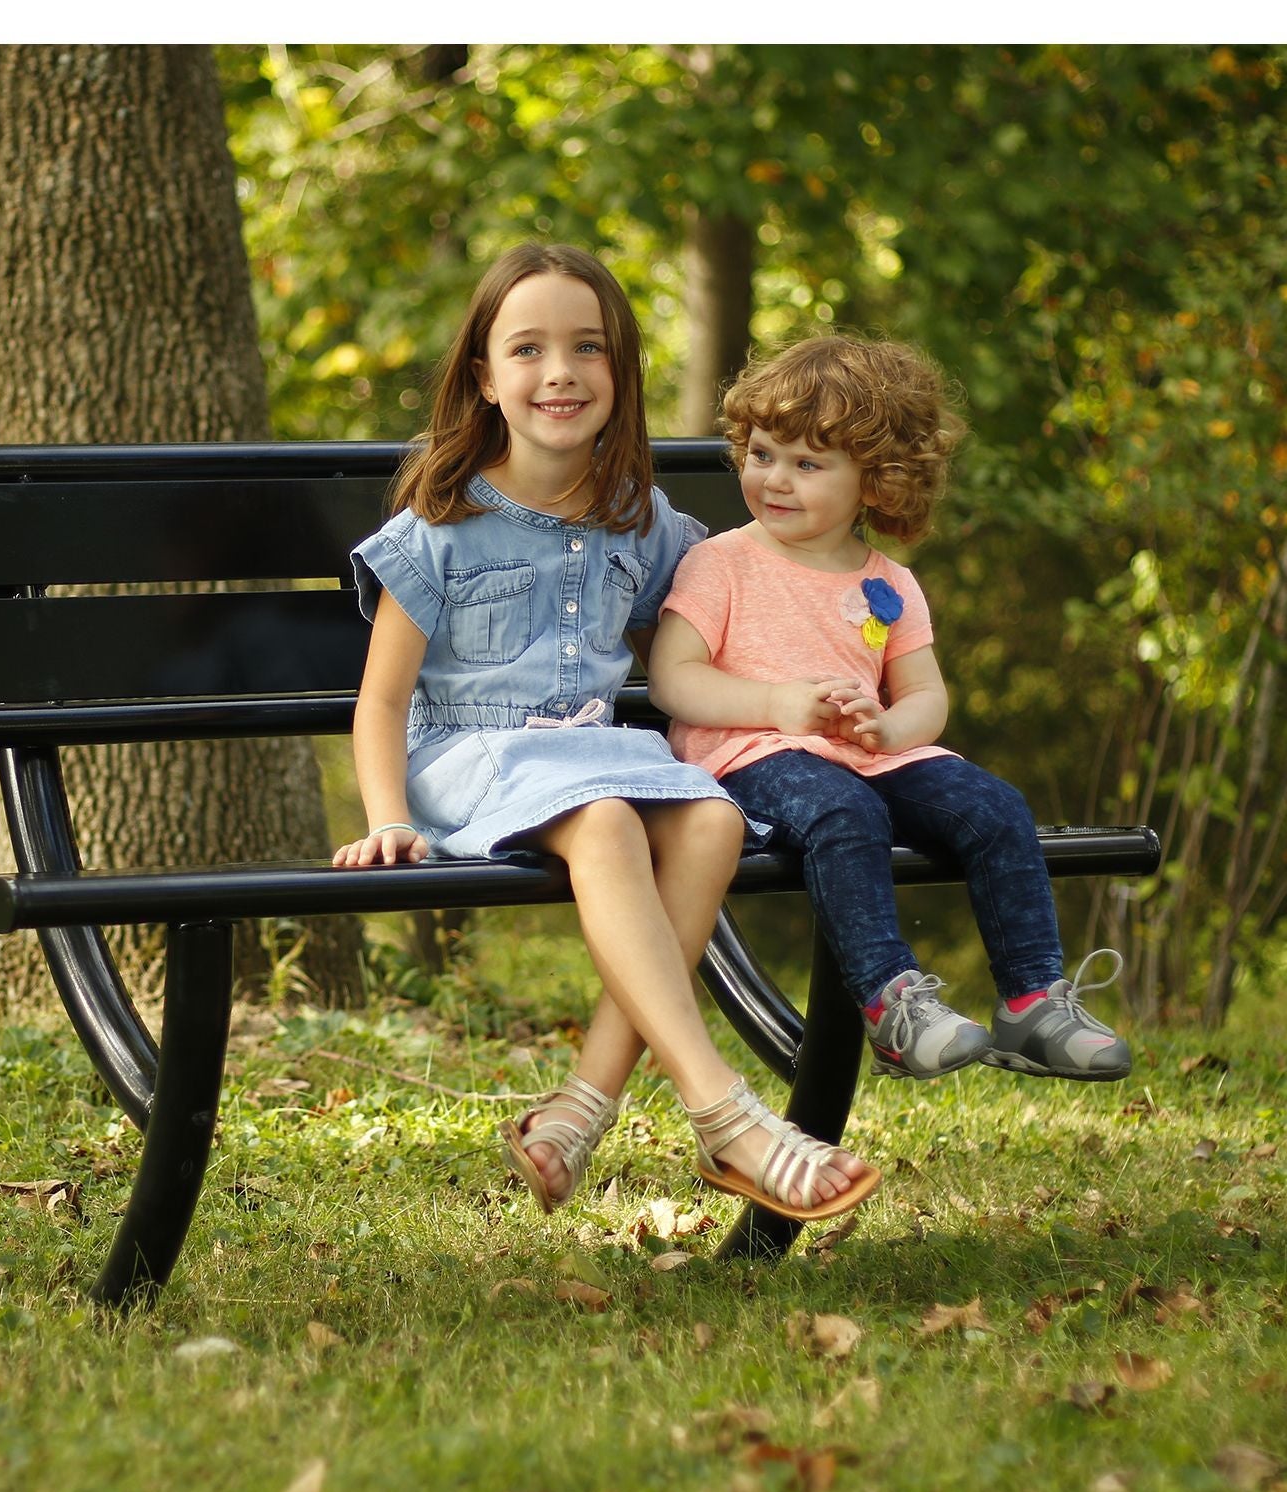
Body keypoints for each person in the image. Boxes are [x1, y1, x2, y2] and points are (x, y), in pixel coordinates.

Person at [334, 242, 879, 1224]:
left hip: (591, 753)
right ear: (484, 378)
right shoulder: (440, 524)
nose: (560, 372)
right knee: (608, 824)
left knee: (710, 821)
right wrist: (385, 816)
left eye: (588, 348)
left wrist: (843, 616)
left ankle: (580, 1107)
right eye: (529, 348)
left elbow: (733, 607)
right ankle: (726, 1115)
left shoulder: (640, 519)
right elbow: (380, 703)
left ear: (619, 374)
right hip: (471, 755)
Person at [651, 332, 1130, 1085]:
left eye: (807, 464)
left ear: (877, 481)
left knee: (995, 806)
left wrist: (887, 727)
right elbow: (674, 678)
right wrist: (778, 703)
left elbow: (925, 698)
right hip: (751, 753)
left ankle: (1032, 1001)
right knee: (847, 814)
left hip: (868, 752)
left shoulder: (890, 583)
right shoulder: (723, 562)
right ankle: (892, 1006)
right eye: (763, 453)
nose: (775, 478)